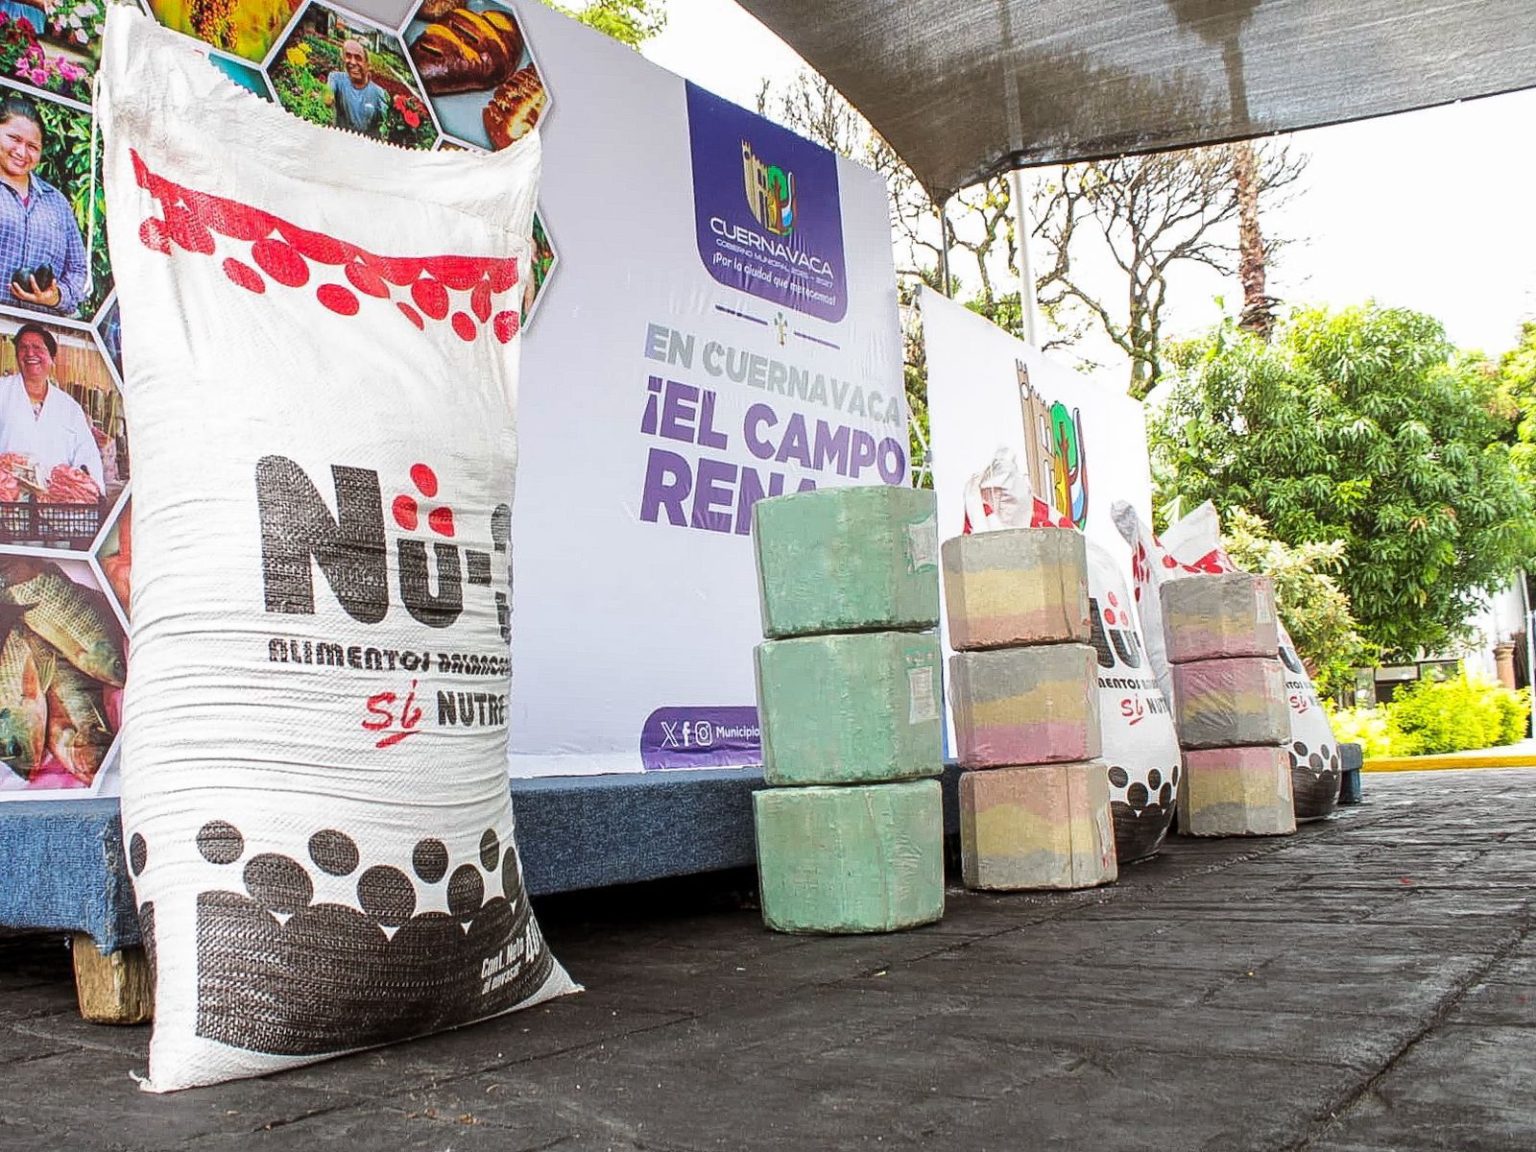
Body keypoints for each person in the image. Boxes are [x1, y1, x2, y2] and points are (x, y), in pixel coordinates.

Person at [0, 92, 88, 318]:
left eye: (32, 146)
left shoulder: (56, 203)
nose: (22, 152)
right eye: (14, 138)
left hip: (36, 330)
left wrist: (56, 297)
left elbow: (78, 270)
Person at [0, 323, 103, 492]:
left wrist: (88, 491)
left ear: (51, 357)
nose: (30, 353)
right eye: (23, 348)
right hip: (7, 498)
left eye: (37, 347)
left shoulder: (70, 408)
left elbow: (87, 456)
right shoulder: (2, 391)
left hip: (56, 502)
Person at [325, 39, 390, 139]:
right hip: (339, 140)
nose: (352, 62)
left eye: (358, 58)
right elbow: (327, 97)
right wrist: (326, 98)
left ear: (368, 64)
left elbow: (384, 130)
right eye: (348, 56)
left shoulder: (379, 94)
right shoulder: (336, 79)